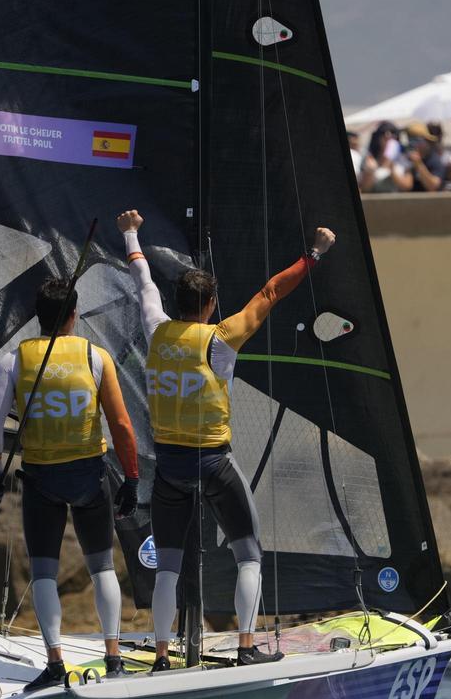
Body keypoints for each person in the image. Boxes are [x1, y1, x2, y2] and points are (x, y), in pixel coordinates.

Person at [118, 209, 335, 670]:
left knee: (169, 566)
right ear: (212, 304)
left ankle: (160, 656)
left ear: (179, 303)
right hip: (213, 462)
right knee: (248, 553)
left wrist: (132, 235)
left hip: (169, 467)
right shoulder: (222, 338)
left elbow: (143, 282)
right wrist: (314, 253)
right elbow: (271, 292)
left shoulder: (157, 330)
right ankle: (245, 647)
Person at [0, 277, 140, 691]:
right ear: (74, 316)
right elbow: (121, 425)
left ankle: (55, 665)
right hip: (89, 476)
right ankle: (114, 657)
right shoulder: (95, 356)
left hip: (42, 480)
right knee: (102, 566)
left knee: (45, 573)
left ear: (38, 318)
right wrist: (132, 477)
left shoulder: (13, 362)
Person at [358, 122, 411, 193]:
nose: (388, 135)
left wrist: (392, 169)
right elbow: (365, 189)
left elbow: (407, 186)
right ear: (377, 137)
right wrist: (370, 172)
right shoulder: (369, 158)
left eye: (393, 132)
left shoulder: (404, 159)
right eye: (383, 132)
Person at [403, 122, 445, 192]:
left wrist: (419, 164)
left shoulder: (434, 160)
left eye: (416, 140)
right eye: (410, 140)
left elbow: (433, 186)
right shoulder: (407, 158)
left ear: (426, 141)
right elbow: (406, 186)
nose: (413, 145)